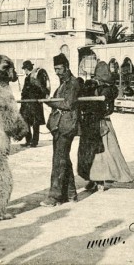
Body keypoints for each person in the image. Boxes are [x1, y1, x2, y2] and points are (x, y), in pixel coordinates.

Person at [78, 61, 133, 192]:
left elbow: (107, 97)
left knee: (103, 154)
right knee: (90, 153)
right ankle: (92, 179)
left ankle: (101, 179)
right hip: (91, 122)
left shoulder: (109, 88)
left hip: (102, 123)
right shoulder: (93, 86)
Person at [40, 53, 81, 207]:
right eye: (55, 69)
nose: (56, 72)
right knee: (63, 159)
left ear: (66, 67)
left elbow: (67, 104)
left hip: (66, 127)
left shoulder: (73, 83)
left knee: (58, 161)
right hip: (58, 126)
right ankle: (71, 194)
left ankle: (54, 197)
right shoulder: (62, 84)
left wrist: (49, 102)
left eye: (59, 69)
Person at [19, 60, 46, 148]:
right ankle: (30, 141)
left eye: (24, 69)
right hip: (28, 104)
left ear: (26, 69)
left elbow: (37, 90)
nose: (24, 71)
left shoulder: (34, 77)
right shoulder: (29, 77)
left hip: (33, 104)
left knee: (34, 123)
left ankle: (33, 142)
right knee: (27, 122)